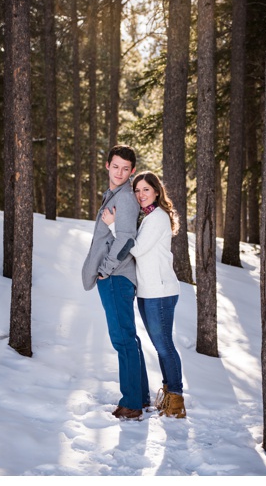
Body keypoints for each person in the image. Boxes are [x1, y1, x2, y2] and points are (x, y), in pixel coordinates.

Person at [102, 171, 186, 419]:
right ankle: (169, 398)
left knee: (164, 346)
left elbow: (136, 249)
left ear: (157, 191)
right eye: (137, 190)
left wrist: (116, 225)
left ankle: (176, 401)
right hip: (148, 292)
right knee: (160, 347)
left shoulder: (157, 217)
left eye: (145, 190)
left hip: (160, 292)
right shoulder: (148, 218)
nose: (140, 195)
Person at [81, 145, 150, 420]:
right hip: (116, 277)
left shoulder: (125, 198)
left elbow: (126, 239)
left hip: (116, 277)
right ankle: (140, 397)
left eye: (126, 168)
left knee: (123, 340)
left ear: (132, 171)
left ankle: (132, 404)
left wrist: (106, 270)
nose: (120, 172)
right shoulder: (114, 195)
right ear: (107, 165)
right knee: (128, 339)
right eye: (116, 166)